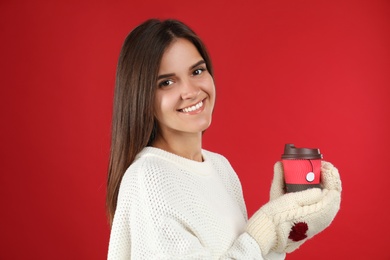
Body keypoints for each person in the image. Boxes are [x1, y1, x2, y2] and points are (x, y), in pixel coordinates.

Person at [106, 18, 342, 259]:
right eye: (166, 82)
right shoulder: (149, 178)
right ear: (141, 96)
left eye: (197, 71)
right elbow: (250, 247)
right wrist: (266, 226)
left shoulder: (221, 168)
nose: (191, 91)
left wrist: (284, 229)